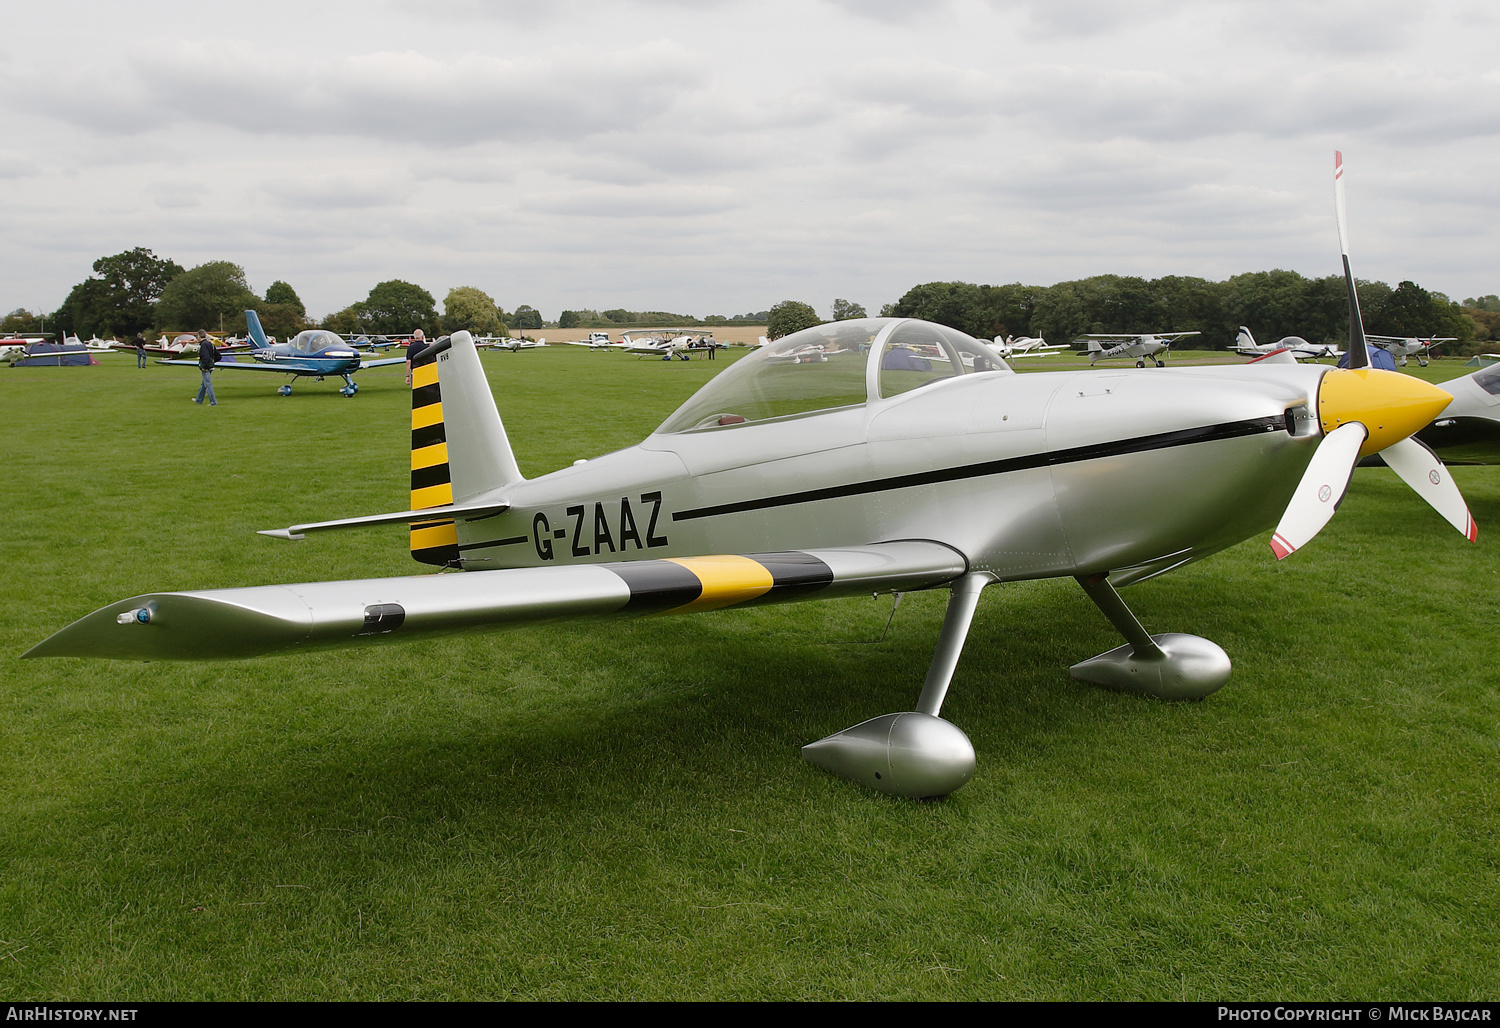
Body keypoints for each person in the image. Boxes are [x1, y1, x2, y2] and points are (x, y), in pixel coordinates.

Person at [193, 330, 218, 405]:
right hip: (210, 366)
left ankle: (213, 402)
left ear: (198, 336)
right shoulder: (210, 344)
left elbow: (205, 357)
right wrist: (212, 362)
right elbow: (218, 356)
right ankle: (199, 400)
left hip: (206, 367)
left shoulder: (203, 345)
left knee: (208, 384)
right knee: (203, 384)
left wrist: (205, 366)